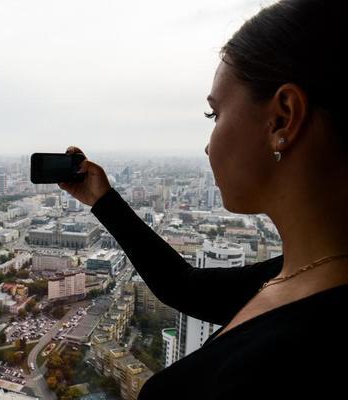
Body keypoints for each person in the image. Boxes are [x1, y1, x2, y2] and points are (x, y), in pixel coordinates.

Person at [58, 0, 348, 398]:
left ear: (283, 118)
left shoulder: (277, 364)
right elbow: (186, 286)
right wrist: (102, 199)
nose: (207, 146)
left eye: (215, 115)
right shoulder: (307, 274)